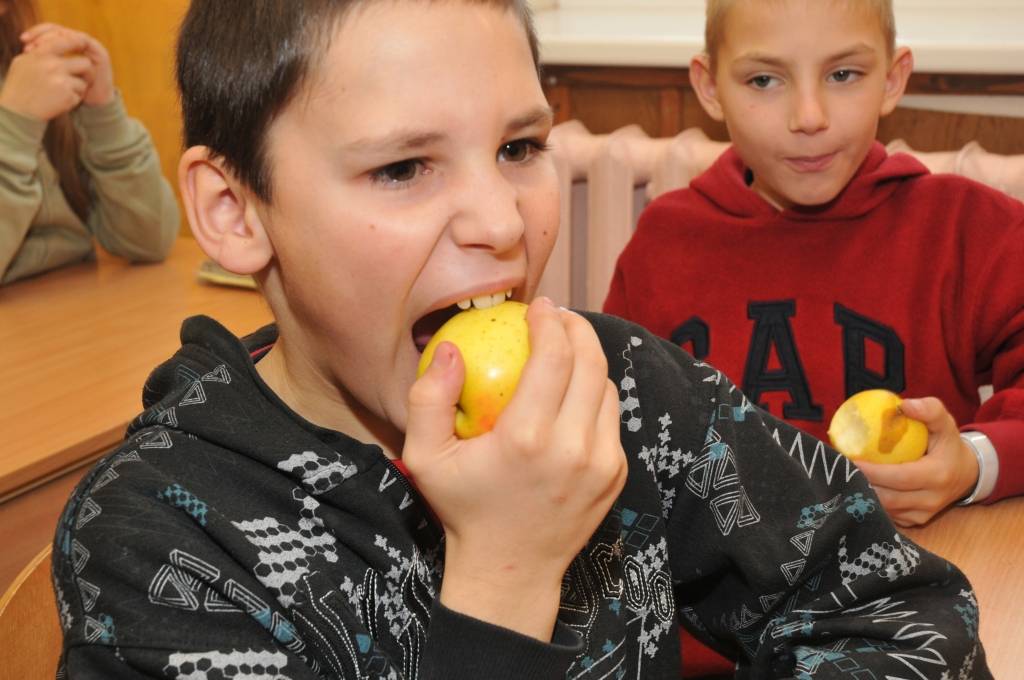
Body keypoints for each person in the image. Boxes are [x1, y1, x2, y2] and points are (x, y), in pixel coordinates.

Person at [51, 1, 991, 678]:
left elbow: (895, 608)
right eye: (403, 166)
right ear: (234, 209)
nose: (503, 222)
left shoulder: (619, 387)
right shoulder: (153, 543)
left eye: (518, 149)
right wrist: (507, 577)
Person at [605, 0, 1024, 529]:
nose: (810, 117)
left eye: (843, 74)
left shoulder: (966, 227)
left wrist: (974, 463)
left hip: (909, 578)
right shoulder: (663, 244)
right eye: (763, 80)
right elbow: (615, 424)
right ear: (710, 88)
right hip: (715, 592)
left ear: (893, 80)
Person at [0, 0, 178, 284]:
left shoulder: (36, 75)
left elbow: (150, 241)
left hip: (79, 297)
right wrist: (16, 127)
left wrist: (103, 112)